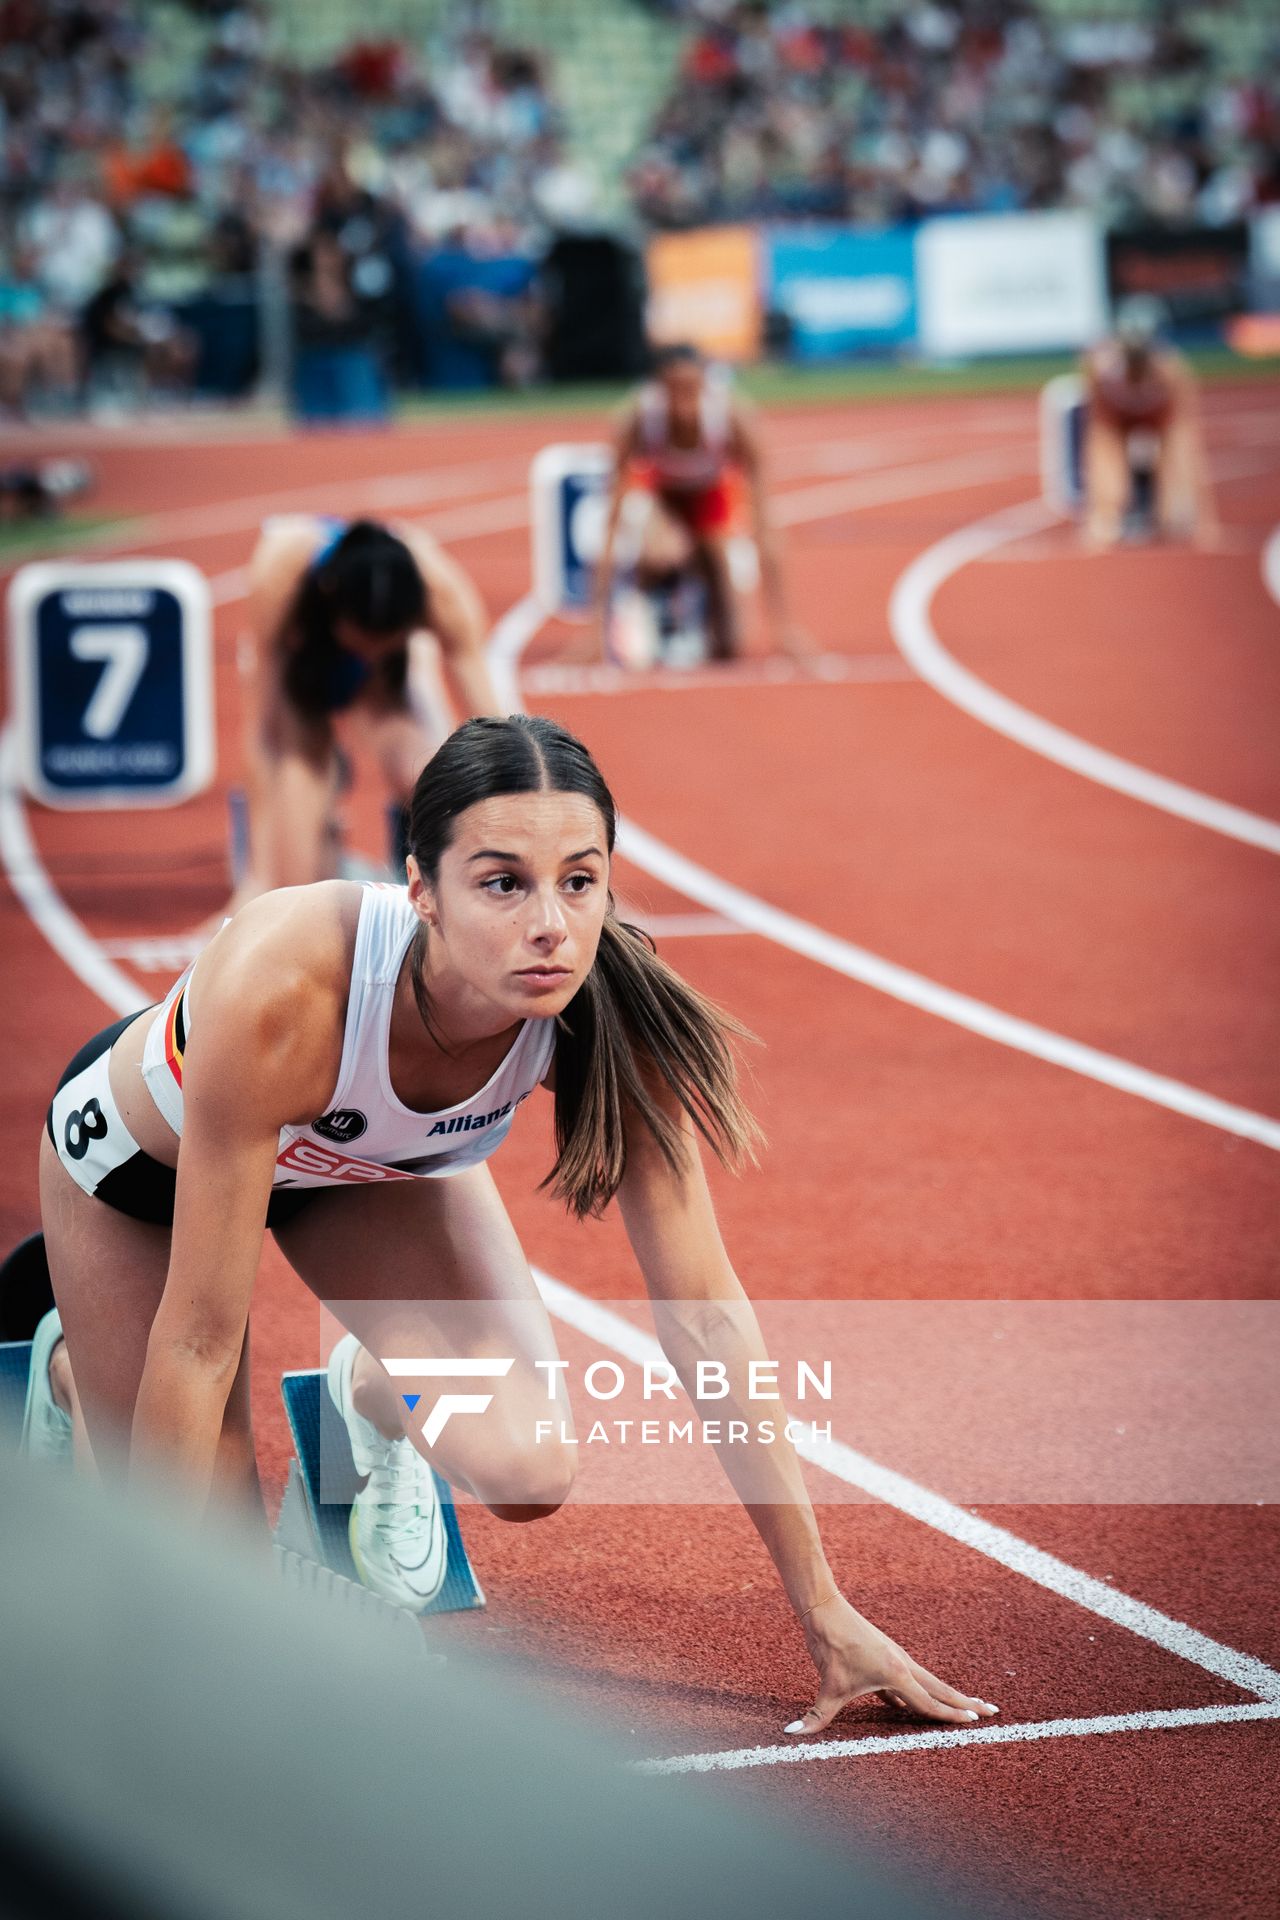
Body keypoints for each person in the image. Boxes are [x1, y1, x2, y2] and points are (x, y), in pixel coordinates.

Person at [28, 715, 999, 1739]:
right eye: (502, 883)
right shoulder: (285, 982)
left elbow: (706, 1317)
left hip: (364, 1173)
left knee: (530, 1469)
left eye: (578, 881)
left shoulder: (607, 1014)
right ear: (420, 889)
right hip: (137, 1178)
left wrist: (823, 1608)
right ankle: (74, 1371)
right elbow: (200, 1339)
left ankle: (367, 1392)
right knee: (203, 1595)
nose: (549, 925)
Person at [235, 514, 502, 902]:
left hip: (389, 682)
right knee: (293, 876)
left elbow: (491, 719)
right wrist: (259, 872)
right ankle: (312, 831)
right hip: (305, 676)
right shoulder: (281, 572)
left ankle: (413, 856)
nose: (370, 652)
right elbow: (264, 730)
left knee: (431, 777)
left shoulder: (438, 588)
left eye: (384, 642)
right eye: (363, 643)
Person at [593, 343, 807, 663]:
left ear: (707, 386)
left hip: (710, 498)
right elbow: (610, 522)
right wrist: (592, 632)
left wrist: (785, 628)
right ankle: (647, 602)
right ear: (658, 389)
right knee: (662, 551)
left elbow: (766, 526)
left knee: (730, 647)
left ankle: (702, 589)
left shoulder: (734, 417)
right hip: (661, 499)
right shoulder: (638, 417)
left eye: (691, 390)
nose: (683, 404)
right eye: (673, 391)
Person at [1080, 296, 1221, 550]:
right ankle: (1105, 516)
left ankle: (1168, 512)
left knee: (1176, 508)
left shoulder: (1172, 370)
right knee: (1105, 463)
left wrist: (1206, 520)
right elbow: (1097, 429)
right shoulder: (1100, 368)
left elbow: (1188, 445)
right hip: (1114, 421)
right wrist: (1104, 504)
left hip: (1161, 419)